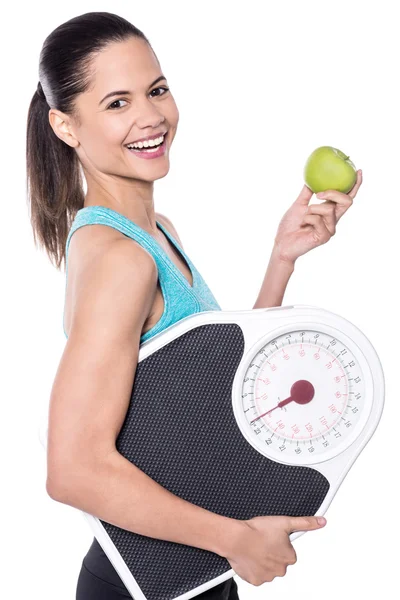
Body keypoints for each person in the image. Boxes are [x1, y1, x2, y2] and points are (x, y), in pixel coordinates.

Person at [26, 11, 363, 600]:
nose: (150, 116)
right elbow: (72, 468)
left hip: (191, 574)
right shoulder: (118, 259)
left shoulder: (156, 231)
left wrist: (282, 258)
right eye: (116, 103)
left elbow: (217, 393)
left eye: (156, 90)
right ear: (66, 125)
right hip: (141, 583)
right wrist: (234, 538)